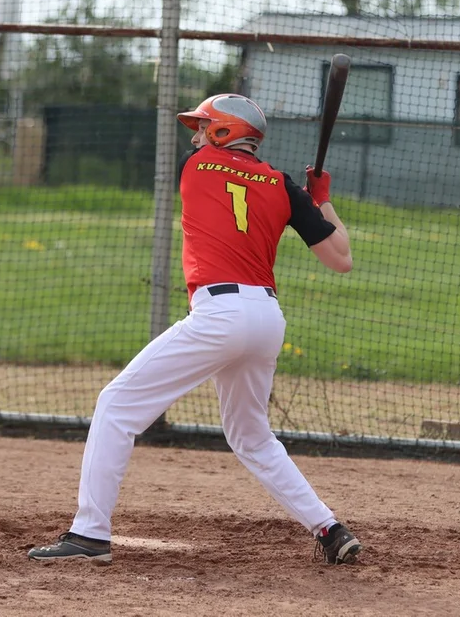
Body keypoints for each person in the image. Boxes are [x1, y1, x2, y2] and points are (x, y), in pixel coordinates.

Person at [28, 94, 363, 566]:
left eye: (204, 127)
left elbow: (228, 180)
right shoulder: (282, 185)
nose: (196, 135)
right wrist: (319, 200)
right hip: (266, 318)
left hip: (220, 314)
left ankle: (89, 534)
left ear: (224, 133)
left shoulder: (196, 164)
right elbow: (341, 259)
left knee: (116, 405)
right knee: (251, 436)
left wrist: (303, 197)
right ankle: (329, 528)